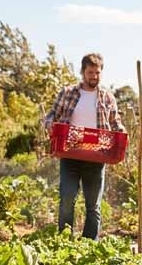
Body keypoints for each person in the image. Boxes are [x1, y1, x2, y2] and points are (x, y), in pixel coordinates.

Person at [43, 53, 125, 240]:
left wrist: (122, 136)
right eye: (90, 72)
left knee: (93, 205)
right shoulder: (68, 92)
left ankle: (89, 246)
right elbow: (51, 116)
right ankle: (64, 241)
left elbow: (115, 123)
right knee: (67, 198)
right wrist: (50, 126)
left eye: (97, 72)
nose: (94, 76)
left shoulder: (107, 97)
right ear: (82, 72)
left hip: (96, 156)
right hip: (70, 154)